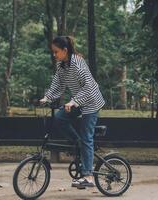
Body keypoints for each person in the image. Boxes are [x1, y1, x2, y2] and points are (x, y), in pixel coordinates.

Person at [40, 36, 105, 188]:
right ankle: (78, 144)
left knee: (86, 138)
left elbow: (89, 88)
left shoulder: (78, 63)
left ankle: (88, 176)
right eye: (53, 52)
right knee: (59, 117)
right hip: (78, 101)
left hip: (91, 102)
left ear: (65, 50)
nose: (54, 55)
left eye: (56, 52)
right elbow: (58, 83)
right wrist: (47, 97)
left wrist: (73, 101)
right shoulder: (62, 65)